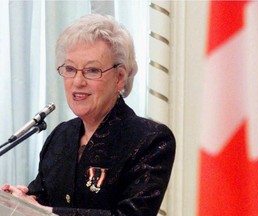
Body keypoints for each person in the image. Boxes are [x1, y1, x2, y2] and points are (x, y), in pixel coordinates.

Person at [1, 14, 175, 216]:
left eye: (92, 70)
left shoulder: (150, 139)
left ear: (120, 77)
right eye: (70, 69)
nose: (77, 81)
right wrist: (19, 199)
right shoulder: (61, 135)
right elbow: (40, 197)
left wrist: (46, 211)